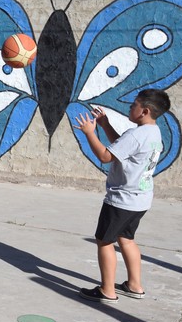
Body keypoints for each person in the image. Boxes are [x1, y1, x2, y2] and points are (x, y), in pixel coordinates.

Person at [72, 89, 169, 303]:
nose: (130, 107)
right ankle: (134, 285)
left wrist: (89, 132)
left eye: (134, 104)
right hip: (140, 199)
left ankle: (107, 291)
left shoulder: (136, 135)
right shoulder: (153, 133)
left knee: (104, 241)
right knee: (126, 239)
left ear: (145, 111)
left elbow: (106, 156)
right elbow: (122, 149)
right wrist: (105, 125)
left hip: (122, 200)